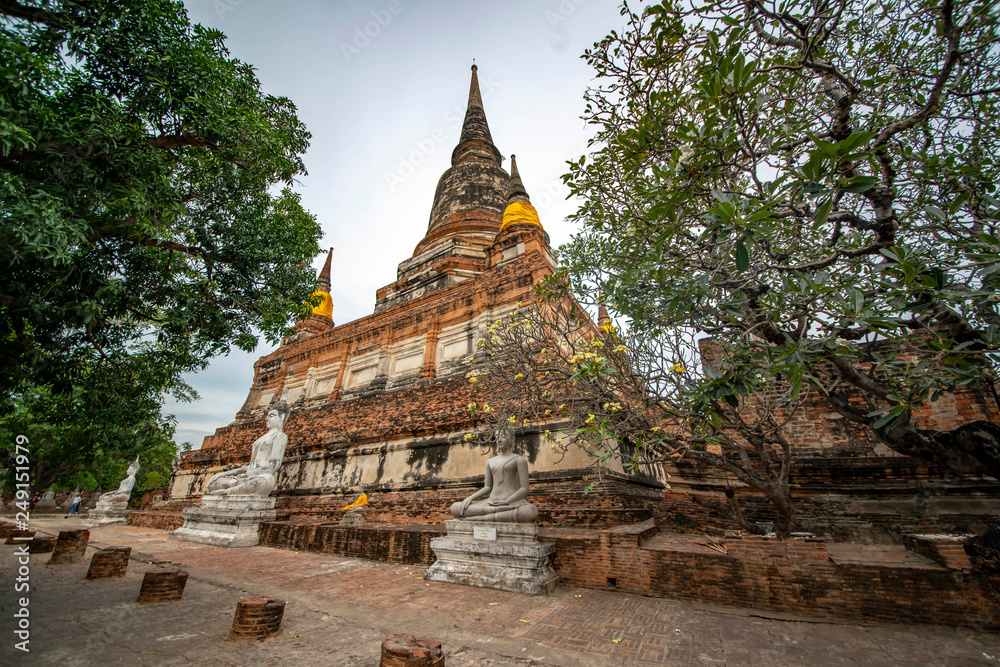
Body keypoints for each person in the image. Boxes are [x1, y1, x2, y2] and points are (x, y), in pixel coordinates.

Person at [451, 425, 539, 523]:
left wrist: (507, 502)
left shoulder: (519, 460)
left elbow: (524, 489)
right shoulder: (490, 462)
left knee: (530, 511)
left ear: (512, 438)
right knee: (456, 508)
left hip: (510, 503)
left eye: (503, 436)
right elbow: (487, 487)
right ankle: (492, 515)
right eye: (497, 437)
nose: (499, 440)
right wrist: (471, 498)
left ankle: (479, 518)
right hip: (490, 503)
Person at [205, 400, 290, 497]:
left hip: (261, 477)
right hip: (247, 477)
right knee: (214, 482)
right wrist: (222, 474)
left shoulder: (280, 436)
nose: (266, 419)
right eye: (267, 416)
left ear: (282, 417)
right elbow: (251, 466)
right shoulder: (262, 438)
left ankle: (226, 492)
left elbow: (273, 466)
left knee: (258, 482)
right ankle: (232, 487)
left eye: (271, 416)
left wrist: (248, 474)